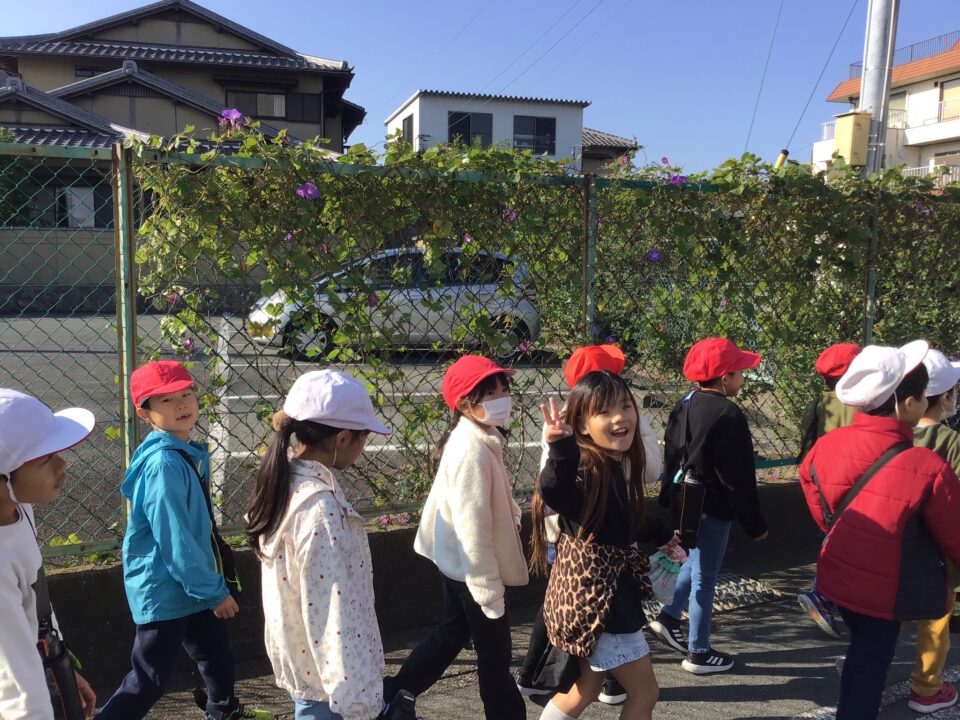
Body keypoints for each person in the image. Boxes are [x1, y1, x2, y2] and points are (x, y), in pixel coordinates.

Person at [96, 360, 271, 720]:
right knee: (150, 677)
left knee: (216, 652)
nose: (181, 404)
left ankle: (224, 710)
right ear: (144, 413)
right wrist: (212, 591)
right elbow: (174, 539)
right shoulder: (164, 464)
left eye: (186, 394)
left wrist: (206, 586)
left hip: (191, 584)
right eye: (166, 400)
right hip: (166, 589)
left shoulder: (180, 451)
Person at [798, 342, 960, 720]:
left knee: (862, 655)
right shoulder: (927, 465)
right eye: (922, 396)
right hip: (889, 590)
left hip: (838, 575)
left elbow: (815, 496)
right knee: (870, 668)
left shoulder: (827, 444)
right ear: (908, 404)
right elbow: (954, 535)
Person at [246, 369, 410, 720]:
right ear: (343, 438)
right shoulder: (319, 509)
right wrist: (361, 702)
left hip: (308, 670)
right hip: (333, 687)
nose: (364, 445)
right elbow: (333, 611)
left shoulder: (285, 483)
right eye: (364, 436)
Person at [383, 355, 528, 720]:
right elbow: (472, 529)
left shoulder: (479, 436)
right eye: (490, 393)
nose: (502, 398)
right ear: (464, 404)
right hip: (473, 571)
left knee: (452, 632)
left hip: (457, 563)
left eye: (504, 389)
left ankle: (393, 692)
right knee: (495, 657)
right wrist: (488, 591)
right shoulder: (470, 450)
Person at [516, 343, 662, 706]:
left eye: (626, 406)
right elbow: (555, 491)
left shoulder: (605, 462)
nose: (620, 417)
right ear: (582, 422)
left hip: (589, 598)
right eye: (605, 411)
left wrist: (662, 534)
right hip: (601, 603)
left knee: (584, 689)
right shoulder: (585, 465)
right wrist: (560, 448)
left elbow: (621, 522)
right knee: (644, 692)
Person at [649, 337, 768, 674]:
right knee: (706, 577)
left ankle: (669, 616)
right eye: (740, 372)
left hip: (684, 501)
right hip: (713, 505)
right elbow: (738, 478)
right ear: (725, 377)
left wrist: (666, 496)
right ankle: (699, 651)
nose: (742, 379)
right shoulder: (728, 414)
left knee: (692, 560)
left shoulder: (684, 404)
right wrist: (755, 524)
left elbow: (671, 454)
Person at [0, 388, 97, 719]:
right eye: (45, 459)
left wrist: (60, 665)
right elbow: (18, 695)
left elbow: (34, 601)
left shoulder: (18, 508)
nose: (62, 464)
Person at [906, 349, 960, 713]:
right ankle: (926, 688)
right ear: (945, 397)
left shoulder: (896, 434)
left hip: (899, 542)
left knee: (891, 614)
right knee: (936, 620)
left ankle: (871, 671)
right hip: (939, 549)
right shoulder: (951, 442)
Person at [797, 342, 861, 638]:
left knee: (833, 540)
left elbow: (805, 444)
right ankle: (822, 594)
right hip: (856, 486)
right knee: (851, 545)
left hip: (823, 487)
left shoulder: (819, 404)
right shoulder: (864, 404)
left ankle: (826, 594)